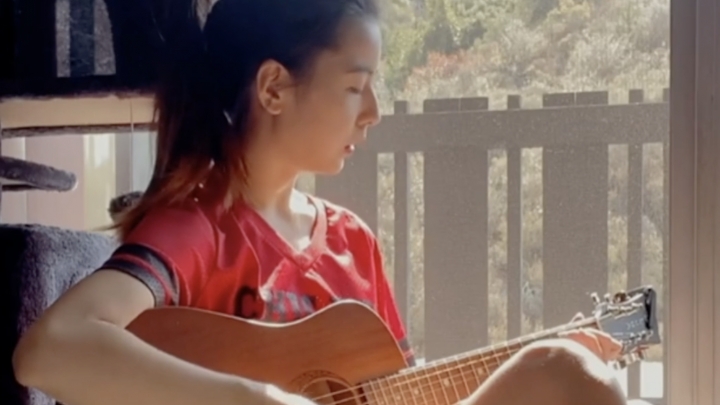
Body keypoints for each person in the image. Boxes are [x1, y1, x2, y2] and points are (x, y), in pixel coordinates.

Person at [11, 0, 633, 404]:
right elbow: (49, 349)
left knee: (565, 369)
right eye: (356, 86)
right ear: (273, 88)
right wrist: (258, 399)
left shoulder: (352, 241)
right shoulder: (199, 228)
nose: (374, 112)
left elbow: (401, 390)